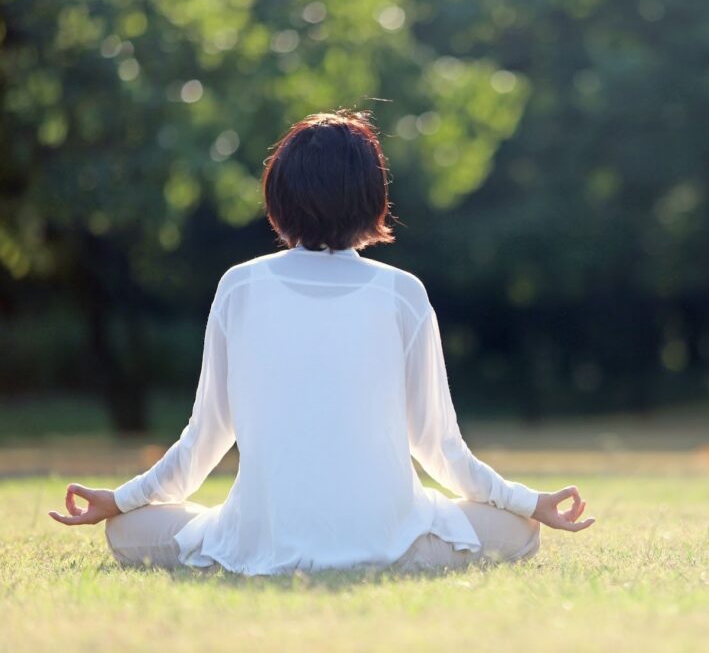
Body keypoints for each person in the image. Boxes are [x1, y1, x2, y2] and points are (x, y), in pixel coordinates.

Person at [49, 110, 595, 575]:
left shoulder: (240, 286)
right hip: (391, 545)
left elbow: (205, 439)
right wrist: (530, 503)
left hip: (261, 545)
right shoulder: (402, 293)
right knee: (520, 531)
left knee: (126, 531)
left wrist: (120, 500)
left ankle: (270, 550)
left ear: (279, 196)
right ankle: (368, 553)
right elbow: (440, 449)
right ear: (371, 199)